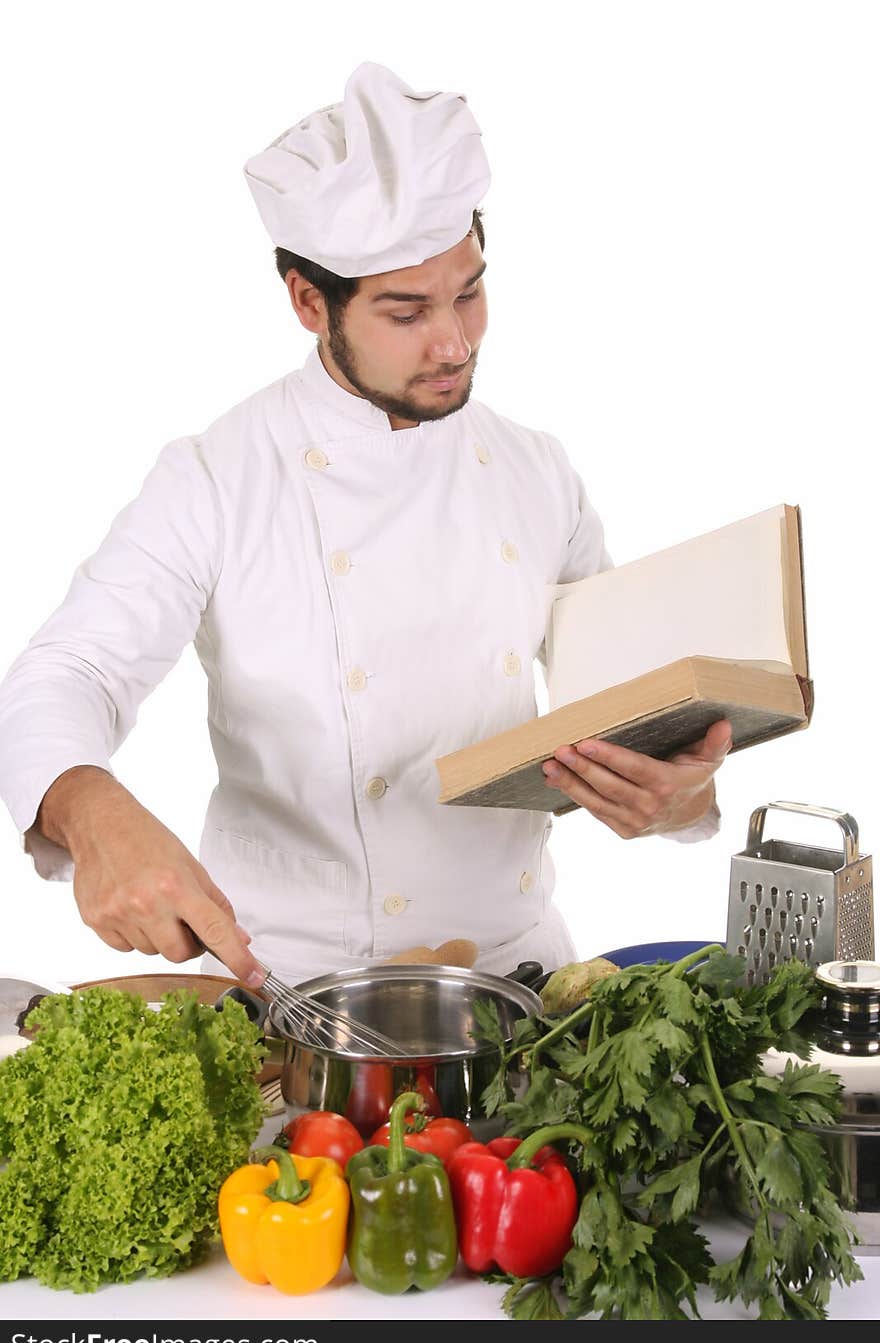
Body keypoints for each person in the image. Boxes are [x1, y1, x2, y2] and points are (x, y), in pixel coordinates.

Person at [0, 62, 729, 991]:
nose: (455, 342)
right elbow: (68, 671)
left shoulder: (535, 468)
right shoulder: (219, 477)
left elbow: (621, 702)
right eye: (406, 311)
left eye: (468, 292)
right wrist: (88, 807)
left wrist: (679, 795)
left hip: (525, 979)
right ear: (311, 303)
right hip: (303, 1001)